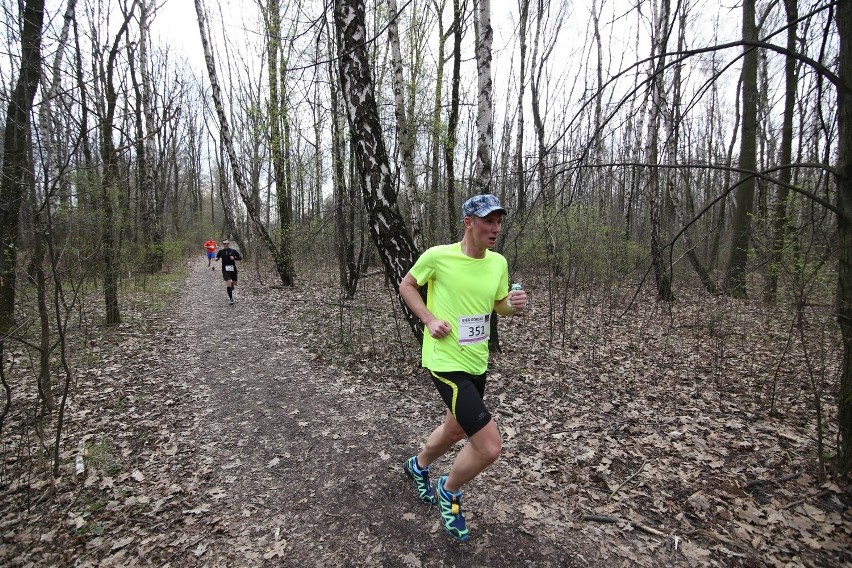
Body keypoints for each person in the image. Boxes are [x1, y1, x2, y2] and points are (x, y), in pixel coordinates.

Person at [399, 193, 528, 542]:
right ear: (469, 223)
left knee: (455, 430)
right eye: (488, 221)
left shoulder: (498, 263)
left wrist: (513, 305)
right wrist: (427, 318)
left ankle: (418, 466)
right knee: (489, 446)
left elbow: (498, 305)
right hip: (445, 361)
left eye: (499, 221)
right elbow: (407, 285)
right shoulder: (438, 257)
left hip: (477, 362)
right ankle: (450, 490)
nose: (496, 228)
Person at [214, 239, 242, 305]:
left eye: (227, 243)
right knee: (228, 283)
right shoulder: (221, 252)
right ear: (223, 244)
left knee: (235, 283)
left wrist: (234, 258)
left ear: (229, 244)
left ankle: (232, 283)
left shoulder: (233, 251)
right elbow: (217, 257)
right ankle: (231, 299)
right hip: (225, 270)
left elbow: (240, 258)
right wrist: (216, 259)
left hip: (233, 269)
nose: (226, 244)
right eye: (224, 243)